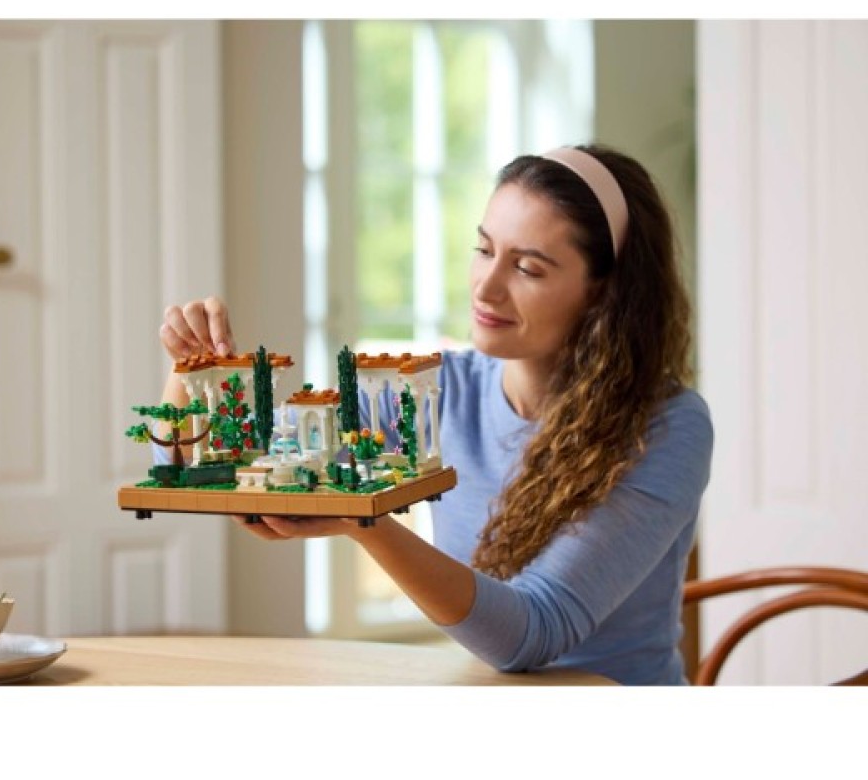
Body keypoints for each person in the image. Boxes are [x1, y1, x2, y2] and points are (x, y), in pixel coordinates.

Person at [157, 145, 713, 685]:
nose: (486, 287)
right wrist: (192, 371)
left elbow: (533, 634)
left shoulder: (668, 426)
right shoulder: (438, 388)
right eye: (484, 249)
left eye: (527, 268)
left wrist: (365, 521)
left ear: (601, 292)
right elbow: (220, 462)